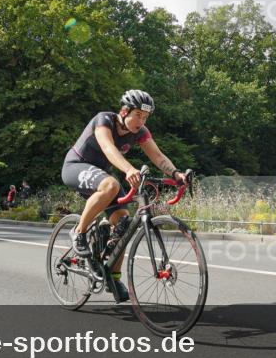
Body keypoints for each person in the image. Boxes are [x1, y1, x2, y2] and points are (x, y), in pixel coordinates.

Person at [61, 90, 188, 303]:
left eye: (145, 117)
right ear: (124, 111)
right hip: (76, 166)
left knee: (123, 223)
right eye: (137, 115)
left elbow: (157, 155)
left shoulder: (140, 132)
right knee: (112, 184)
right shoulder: (104, 120)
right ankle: (78, 232)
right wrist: (129, 169)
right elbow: (108, 148)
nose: (141, 121)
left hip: (100, 176)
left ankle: (113, 276)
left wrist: (176, 174)